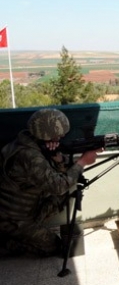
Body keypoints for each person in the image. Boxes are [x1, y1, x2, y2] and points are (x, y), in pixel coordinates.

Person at [0, 108, 98, 256]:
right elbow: (58, 186)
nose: (62, 136)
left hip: (29, 209)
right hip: (13, 220)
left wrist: (58, 159)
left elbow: (55, 177)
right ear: (45, 134)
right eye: (58, 134)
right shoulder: (30, 156)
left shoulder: (27, 140)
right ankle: (5, 244)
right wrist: (83, 162)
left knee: (63, 197)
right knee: (53, 246)